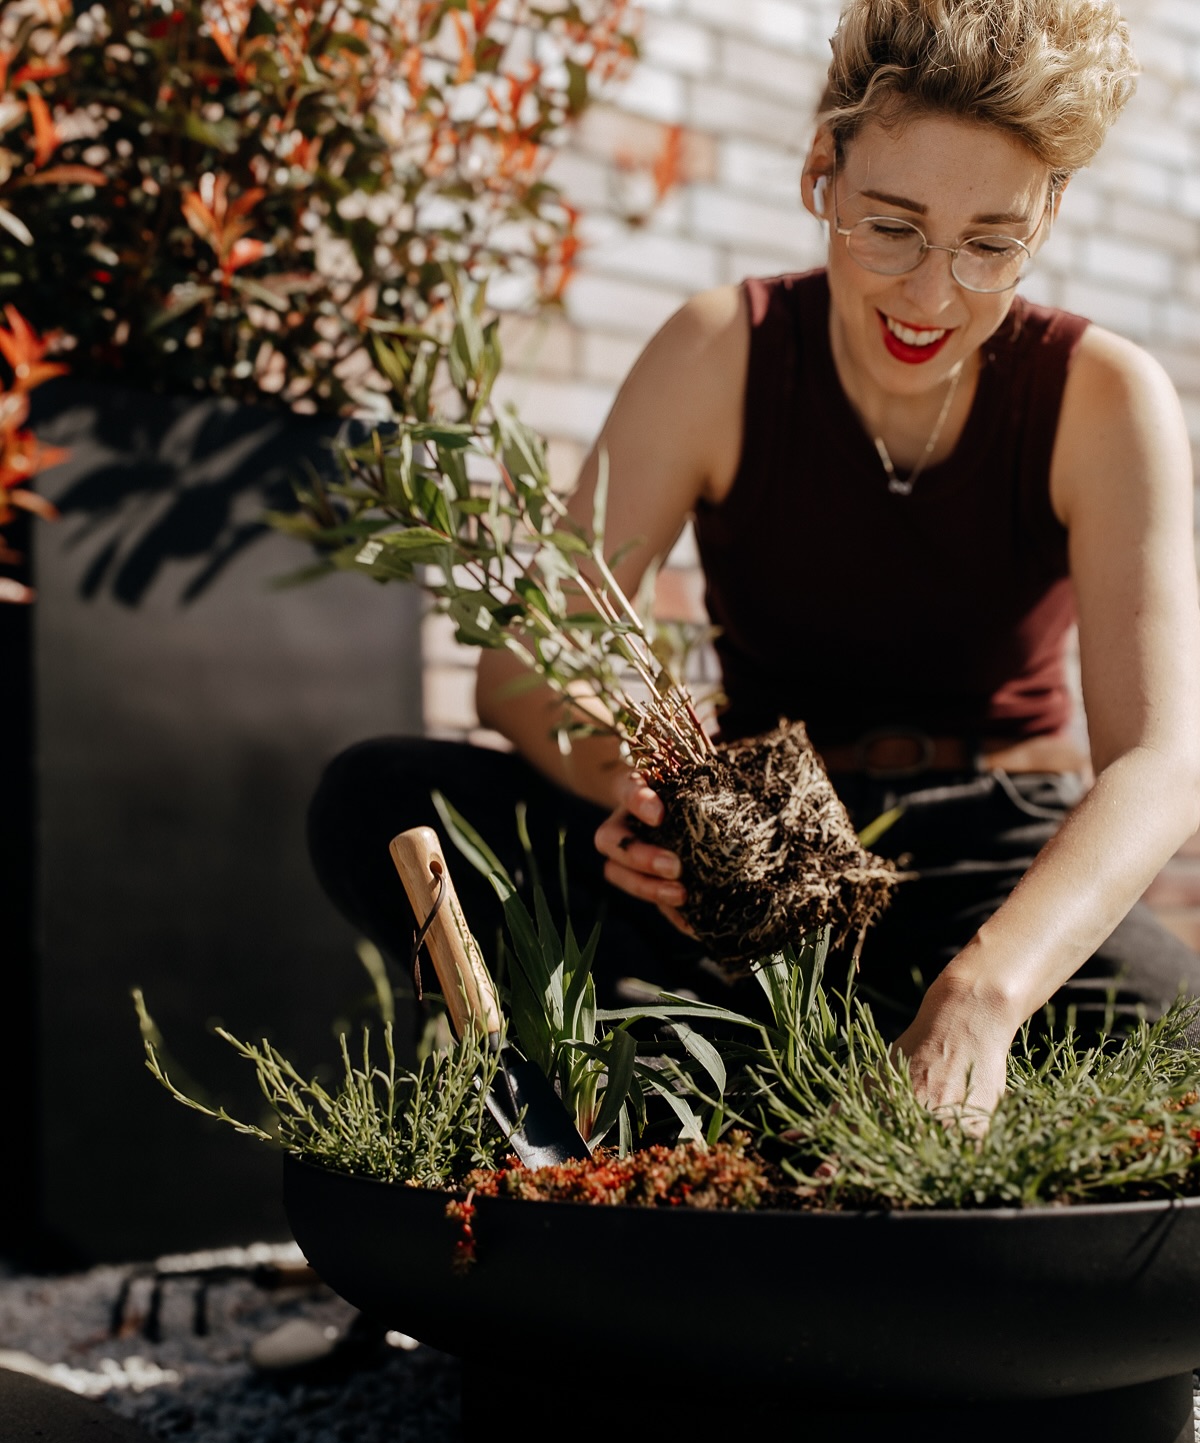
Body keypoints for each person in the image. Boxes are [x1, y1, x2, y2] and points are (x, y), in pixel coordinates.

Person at [307, 0, 1200, 1123]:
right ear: (821, 170)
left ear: (1050, 213)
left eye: (990, 243)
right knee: (383, 795)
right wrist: (653, 810)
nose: (932, 296)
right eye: (891, 226)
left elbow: (1163, 761)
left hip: (992, 847)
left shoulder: (1104, 396)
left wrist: (987, 992)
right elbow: (524, 669)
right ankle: (720, 1073)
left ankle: (765, 1077)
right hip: (751, 855)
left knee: (1184, 1048)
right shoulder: (718, 351)